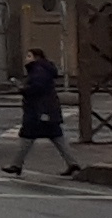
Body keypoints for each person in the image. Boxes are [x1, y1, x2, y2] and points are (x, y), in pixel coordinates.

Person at [6, 48, 79, 177]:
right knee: (57, 137)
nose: (26, 59)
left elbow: (37, 88)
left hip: (39, 111)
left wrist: (22, 88)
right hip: (47, 110)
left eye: (29, 56)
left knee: (27, 137)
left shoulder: (38, 70)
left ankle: (16, 165)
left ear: (36, 57)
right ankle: (73, 164)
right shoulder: (43, 69)